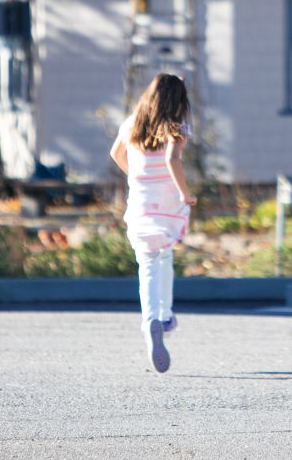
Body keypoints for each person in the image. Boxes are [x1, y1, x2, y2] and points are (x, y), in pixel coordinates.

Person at [109, 73, 196, 373]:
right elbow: (174, 160)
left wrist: (136, 174)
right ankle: (167, 315)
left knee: (146, 264)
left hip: (141, 203)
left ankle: (150, 322)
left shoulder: (131, 123)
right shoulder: (177, 125)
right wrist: (186, 194)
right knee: (166, 255)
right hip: (168, 202)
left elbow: (116, 153)